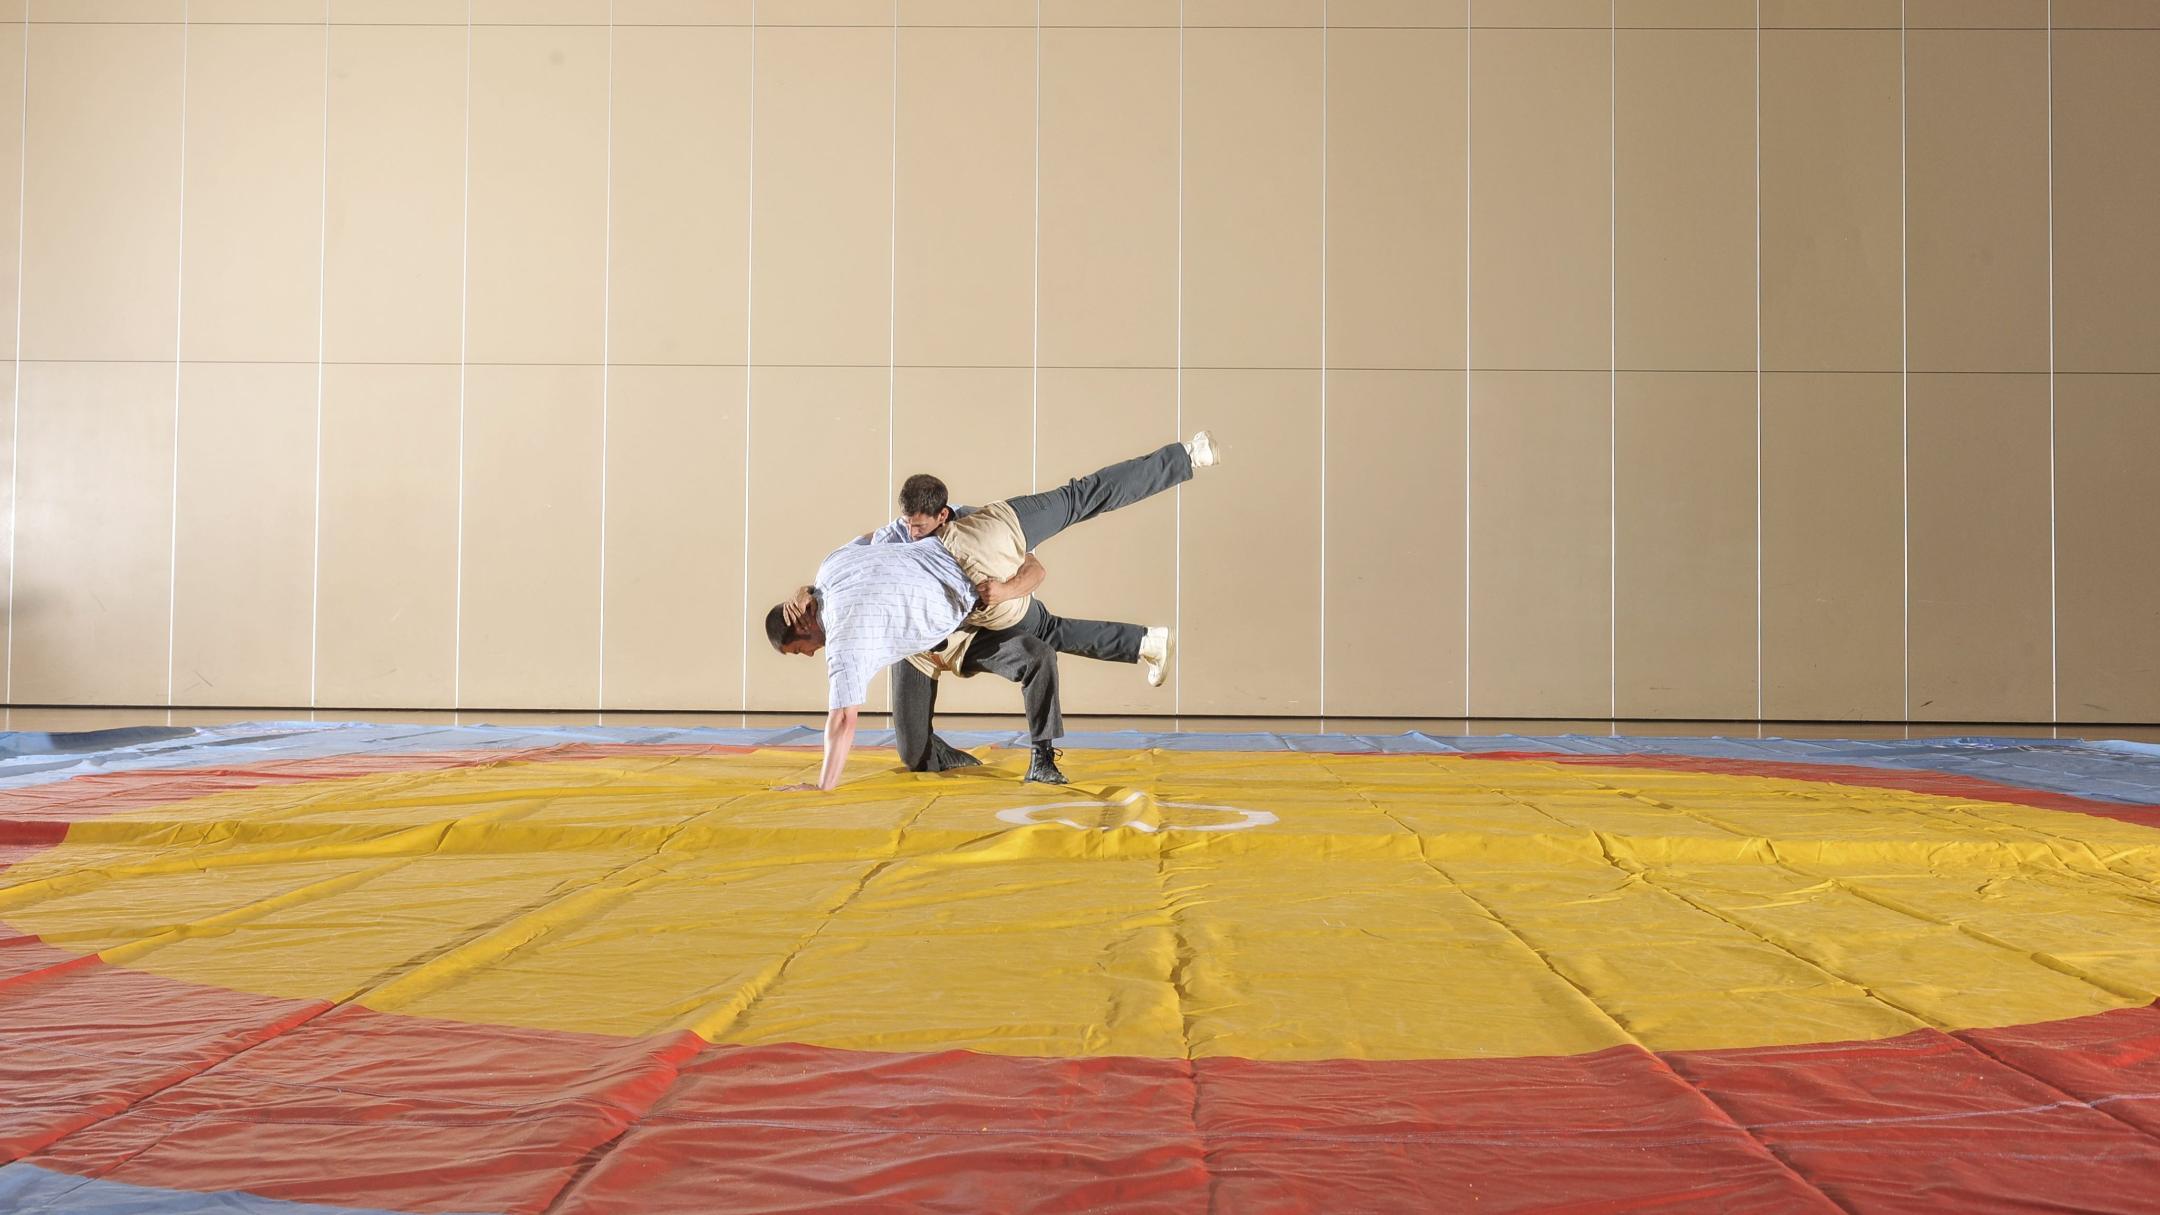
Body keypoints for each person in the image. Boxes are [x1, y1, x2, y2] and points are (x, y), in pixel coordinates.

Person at [765, 432, 1218, 791]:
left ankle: (1185, 461)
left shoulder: (967, 528)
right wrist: (807, 588)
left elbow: (1035, 568)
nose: (911, 530)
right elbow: (865, 543)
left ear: (944, 515)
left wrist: (1004, 589)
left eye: (921, 525)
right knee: (1080, 502)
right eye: (908, 524)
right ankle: (1145, 638)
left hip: (983, 581)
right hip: (954, 613)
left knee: (1046, 622)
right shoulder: (869, 550)